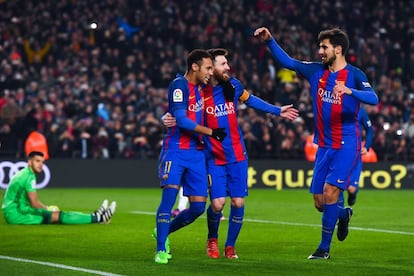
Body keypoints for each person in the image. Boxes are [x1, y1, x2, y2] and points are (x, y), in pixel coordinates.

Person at [254, 27, 378, 259]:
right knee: (320, 203)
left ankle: (324, 249)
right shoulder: (315, 71)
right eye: (319, 46)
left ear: (338, 49)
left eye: (324, 47)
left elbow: (374, 98)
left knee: (331, 192)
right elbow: (288, 62)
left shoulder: (355, 75)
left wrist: (350, 91)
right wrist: (269, 41)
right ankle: (343, 215)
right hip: (324, 145)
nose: (320, 51)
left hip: (347, 144)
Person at [162, 48, 298, 259]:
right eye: (222, 64)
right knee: (217, 204)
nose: (228, 67)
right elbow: (181, 106)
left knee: (238, 202)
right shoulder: (199, 90)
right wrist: (167, 117)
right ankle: (212, 238)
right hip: (212, 157)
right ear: (211, 67)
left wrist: (277, 110)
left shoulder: (233, 86)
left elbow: (251, 100)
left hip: (236, 154)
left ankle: (230, 246)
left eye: (227, 63)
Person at [153, 49, 227, 264]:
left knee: (197, 208)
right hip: (175, 150)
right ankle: (160, 250)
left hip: (196, 153)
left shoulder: (204, 88)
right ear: (195, 66)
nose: (211, 72)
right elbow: (183, 122)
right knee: (169, 199)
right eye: (208, 68)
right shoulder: (179, 85)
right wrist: (211, 132)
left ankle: (162, 232)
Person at [2, 151, 116, 225]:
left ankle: (96, 215)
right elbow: (34, 203)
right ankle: (99, 218)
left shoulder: (25, 173)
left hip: (16, 210)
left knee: (59, 214)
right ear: (29, 162)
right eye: (37, 161)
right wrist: (48, 208)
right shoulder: (28, 176)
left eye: (42, 162)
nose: (41, 164)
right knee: (58, 216)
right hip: (16, 214)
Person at [346, 106, 375, 206]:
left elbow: (370, 130)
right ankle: (339, 216)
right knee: (335, 187)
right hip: (337, 150)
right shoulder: (335, 105)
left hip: (355, 152)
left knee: (351, 189)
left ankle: (352, 194)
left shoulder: (360, 110)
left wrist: (366, 146)